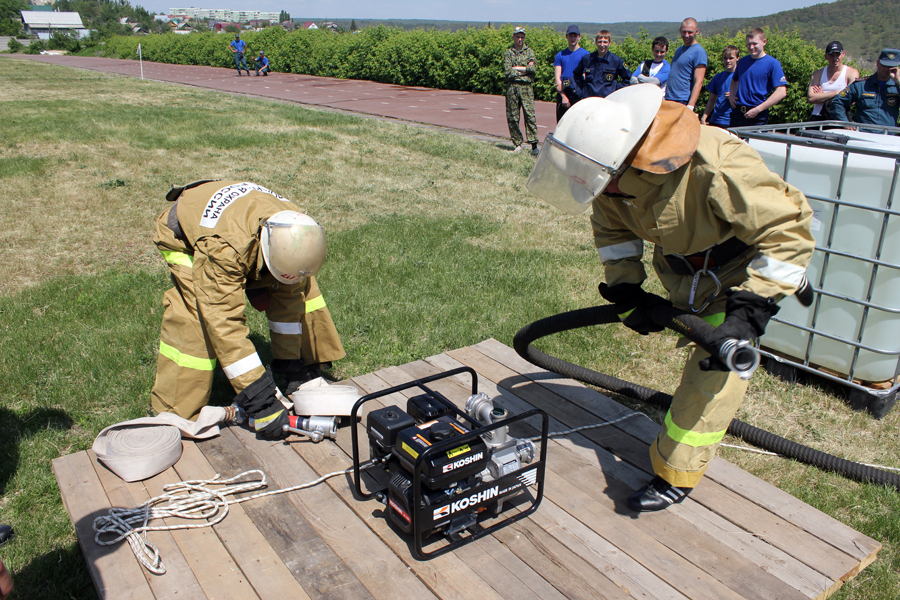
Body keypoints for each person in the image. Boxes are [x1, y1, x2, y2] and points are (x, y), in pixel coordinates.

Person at [525, 85, 814, 511]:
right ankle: (790, 282)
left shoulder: (715, 164)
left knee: (712, 372)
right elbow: (614, 233)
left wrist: (750, 311)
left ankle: (676, 473)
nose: (594, 190)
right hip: (685, 272)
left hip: (735, 271)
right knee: (709, 350)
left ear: (627, 160)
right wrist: (624, 288)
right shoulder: (611, 181)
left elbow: (787, 230)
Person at [151, 180, 346, 439]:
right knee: (197, 319)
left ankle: (299, 365)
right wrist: (261, 400)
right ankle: (174, 412)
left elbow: (288, 306)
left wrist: (290, 366)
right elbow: (225, 325)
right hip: (187, 237)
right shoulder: (222, 250)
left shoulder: (295, 230)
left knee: (300, 288)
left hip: (244, 234)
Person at [729, 28, 788, 127]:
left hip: (758, 115)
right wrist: (731, 96)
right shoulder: (743, 61)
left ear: (764, 42)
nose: (751, 47)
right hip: (738, 113)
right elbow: (734, 80)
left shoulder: (772, 63)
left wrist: (758, 109)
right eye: (748, 44)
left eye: (754, 44)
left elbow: (781, 92)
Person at [832, 48, 900, 127]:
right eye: (884, 65)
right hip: (863, 133)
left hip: (887, 135)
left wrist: (898, 82)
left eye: (891, 67)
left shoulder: (897, 86)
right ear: (877, 63)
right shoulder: (861, 85)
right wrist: (845, 124)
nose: (887, 69)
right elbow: (837, 103)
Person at [504, 26, 539, 155]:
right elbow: (508, 72)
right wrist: (525, 69)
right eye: (517, 36)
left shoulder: (529, 52)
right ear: (513, 37)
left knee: (530, 115)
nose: (520, 39)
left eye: (522, 37)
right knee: (513, 116)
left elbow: (533, 69)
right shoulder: (508, 52)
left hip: (526, 88)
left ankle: (534, 145)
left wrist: (518, 68)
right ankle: (517, 143)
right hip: (512, 87)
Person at [807, 41, 859, 121]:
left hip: (840, 118)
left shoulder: (851, 73)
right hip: (818, 117)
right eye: (832, 55)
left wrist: (822, 96)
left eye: (837, 55)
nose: (835, 58)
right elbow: (811, 98)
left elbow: (852, 100)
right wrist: (837, 92)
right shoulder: (817, 74)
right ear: (826, 56)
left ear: (843, 54)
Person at [573, 30, 632, 100]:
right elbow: (576, 75)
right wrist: (582, 90)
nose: (602, 44)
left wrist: (614, 90)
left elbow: (628, 79)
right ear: (596, 42)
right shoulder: (587, 59)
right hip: (588, 99)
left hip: (607, 100)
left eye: (605, 42)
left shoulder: (616, 60)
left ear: (609, 43)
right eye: (600, 41)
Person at [665, 18, 707, 112]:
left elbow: (699, 82)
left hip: (683, 101)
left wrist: (690, 105)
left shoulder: (699, 52)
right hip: (670, 99)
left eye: (690, 32)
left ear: (697, 31)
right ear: (680, 30)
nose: (686, 35)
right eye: (684, 32)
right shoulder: (679, 50)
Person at [553, 25, 590, 122]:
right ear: (566, 37)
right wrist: (563, 95)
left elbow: (586, 76)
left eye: (575, 36)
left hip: (579, 94)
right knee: (562, 124)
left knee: (578, 123)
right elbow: (557, 78)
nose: (573, 38)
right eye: (571, 36)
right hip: (564, 92)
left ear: (579, 37)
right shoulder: (560, 55)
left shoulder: (585, 55)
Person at [701, 46, 739, 128]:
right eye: (725, 58)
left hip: (732, 121)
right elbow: (712, 100)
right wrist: (704, 116)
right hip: (715, 120)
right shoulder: (718, 77)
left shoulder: (742, 77)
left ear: (737, 58)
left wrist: (734, 97)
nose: (728, 61)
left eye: (731, 58)